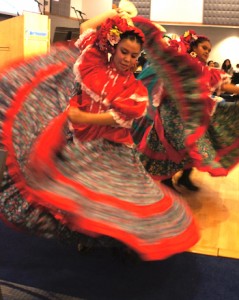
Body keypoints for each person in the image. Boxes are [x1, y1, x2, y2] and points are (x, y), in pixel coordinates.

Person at [0, 6, 200, 261]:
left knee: (123, 200)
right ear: (113, 48)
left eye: (134, 55)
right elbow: (86, 29)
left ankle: (124, 240)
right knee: (80, 198)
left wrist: (85, 117)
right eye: (123, 52)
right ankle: (89, 238)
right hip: (86, 146)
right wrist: (116, 15)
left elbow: (123, 117)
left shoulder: (134, 87)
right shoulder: (94, 67)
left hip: (116, 151)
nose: (127, 59)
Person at [132, 29, 239, 192]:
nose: (207, 52)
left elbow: (223, 85)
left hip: (192, 115)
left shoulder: (205, 71)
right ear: (194, 47)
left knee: (196, 144)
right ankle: (167, 180)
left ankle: (184, 177)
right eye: (204, 48)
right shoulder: (180, 63)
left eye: (209, 50)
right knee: (179, 142)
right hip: (171, 112)